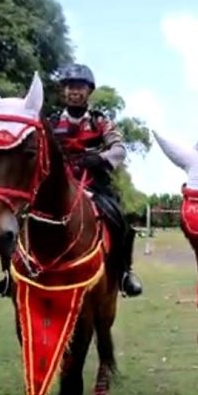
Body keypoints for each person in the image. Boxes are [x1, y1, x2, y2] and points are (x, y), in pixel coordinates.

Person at [48, 62, 144, 298]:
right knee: (21, 215)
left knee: (120, 221)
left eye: (80, 86)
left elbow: (119, 149)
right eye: (70, 86)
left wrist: (99, 158)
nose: (74, 91)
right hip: (58, 186)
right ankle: (9, 274)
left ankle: (124, 273)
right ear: (64, 90)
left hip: (94, 185)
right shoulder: (50, 123)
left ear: (89, 91)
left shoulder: (101, 121)